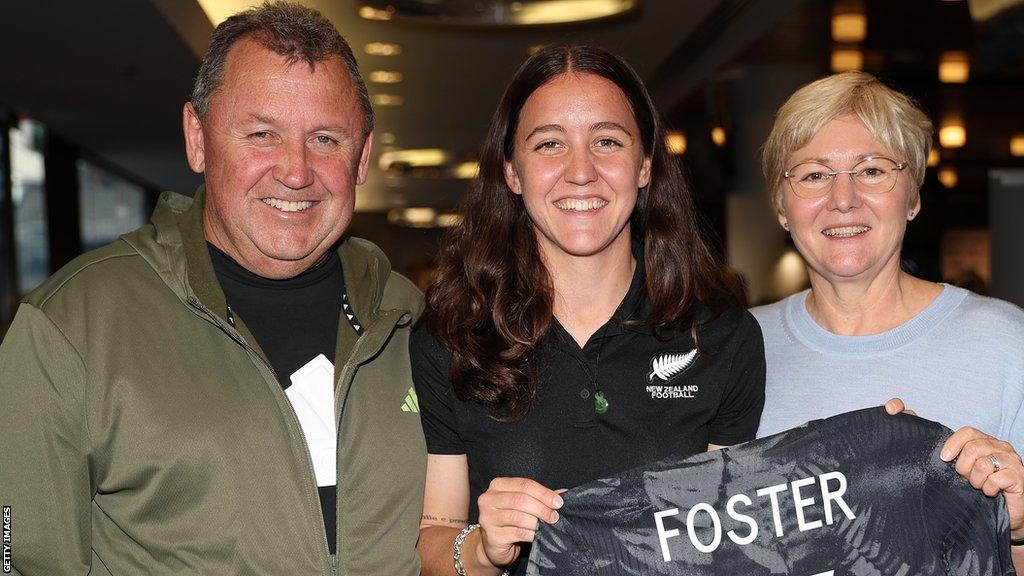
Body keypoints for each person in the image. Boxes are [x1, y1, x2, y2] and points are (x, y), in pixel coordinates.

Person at [0, 3, 425, 574]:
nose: (295, 171)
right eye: (261, 134)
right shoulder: (73, 326)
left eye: (325, 139)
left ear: (363, 157)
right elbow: (18, 556)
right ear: (197, 139)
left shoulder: (412, 323)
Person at [411, 44, 766, 576]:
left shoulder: (720, 334)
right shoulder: (453, 336)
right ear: (512, 171)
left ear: (644, 165)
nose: (581, 171)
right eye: (550, 144)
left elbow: (731, 543)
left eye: (607, 141)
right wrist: (483, 548)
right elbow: (434, 537)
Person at [753, 70, 1024, 566]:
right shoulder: (731, 350)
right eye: (814, 174)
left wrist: (1022, 525)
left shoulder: (1008, 346)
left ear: (914, 196)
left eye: (873, 170)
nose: (843, 198)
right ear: (782, 207)